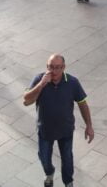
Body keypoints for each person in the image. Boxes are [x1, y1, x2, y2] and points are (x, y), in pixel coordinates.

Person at [23, 54, 94, 187]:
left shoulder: (72, 82)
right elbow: (26, 101)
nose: (54, 71)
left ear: (63, 67)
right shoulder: (39, 79)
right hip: (45, 130)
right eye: (51, 67)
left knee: (67, 159)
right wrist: (41, 85)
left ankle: (68, 182)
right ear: (47, 67)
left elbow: (82, 103)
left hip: (65, 130)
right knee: (44, 158)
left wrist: (89, 125)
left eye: (57, 68)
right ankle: (49, 173)